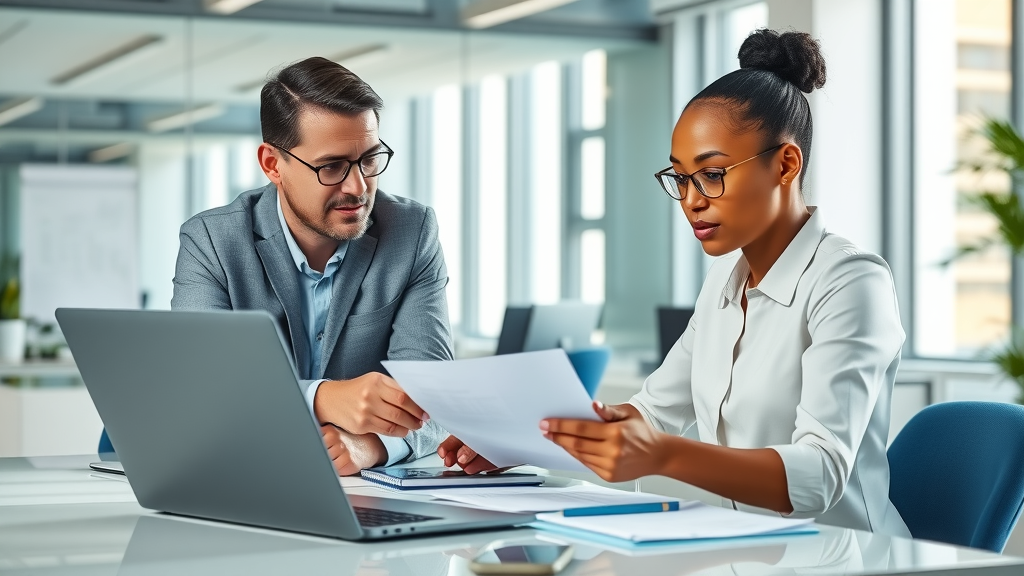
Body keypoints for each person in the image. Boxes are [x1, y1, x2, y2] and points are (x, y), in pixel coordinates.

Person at [442, 29, 911, 537]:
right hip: (745, 554)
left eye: (712, 174)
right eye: (681, 179)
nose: (691, 199)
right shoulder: (724, 284)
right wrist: (523, 440)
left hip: (845, 558)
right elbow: (652, 415)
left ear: (785, 164)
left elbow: (820, 477)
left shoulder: (850, 281)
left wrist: (661, 455)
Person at [171, 57, 451, 476]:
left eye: (370, 160)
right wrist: (320, 398)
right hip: (243, 477)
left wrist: (370, 445)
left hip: (360, 497)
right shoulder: (212, 241)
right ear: (272, 165)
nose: (358, 187)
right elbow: (202, 391)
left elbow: (434, 395)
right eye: (332, 166)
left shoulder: (411, 233)